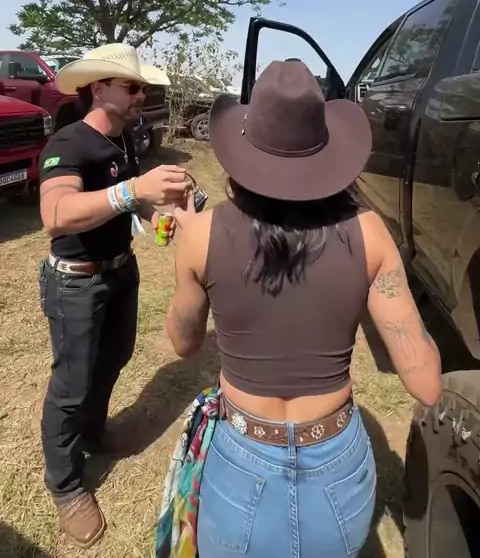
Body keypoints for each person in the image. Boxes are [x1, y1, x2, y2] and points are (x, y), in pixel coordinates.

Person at [166, 60, 442, 558]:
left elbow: (183, 343)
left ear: (245, 151)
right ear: (327, 154)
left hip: (240, 460)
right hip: (338, 471)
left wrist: (192, 256)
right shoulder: (371, 233)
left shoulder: (200, 235)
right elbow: (426, 384)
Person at [38, 44, 192, 549]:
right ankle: (66, 485)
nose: (141, 94)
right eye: (133, 86)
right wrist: (133, 193)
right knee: (71, 385)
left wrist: (154, 213)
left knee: (115, 357)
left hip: (120, 271)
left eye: (142, 87)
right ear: (99, 88)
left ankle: (94, 433)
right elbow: (56, 214)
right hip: (77, 283)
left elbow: (128, 197)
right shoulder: (69, 142)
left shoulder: (124, 139)